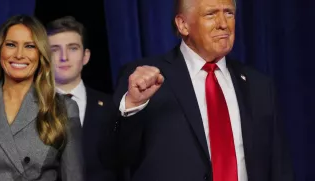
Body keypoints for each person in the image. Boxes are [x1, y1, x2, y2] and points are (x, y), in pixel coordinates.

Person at [101, 0, 295, 180]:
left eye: (228, 13)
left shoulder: (259, 85)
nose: (223, 23)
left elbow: (279, 165)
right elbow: (114, 157)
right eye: (211, 14)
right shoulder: (146, 79)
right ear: (183, 24)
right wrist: (133, 105)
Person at [0, 15, 84, 181]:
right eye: (11, 45)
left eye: (29, 46)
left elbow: (74, 176)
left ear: (41, 54)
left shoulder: (63, 108)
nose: (19, 55)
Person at [45, 16, 119, 181]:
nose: (64, 57)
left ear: (86, 56)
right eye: (55, 49)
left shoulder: (111, 107)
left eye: (72, 48)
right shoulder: (30, 108)